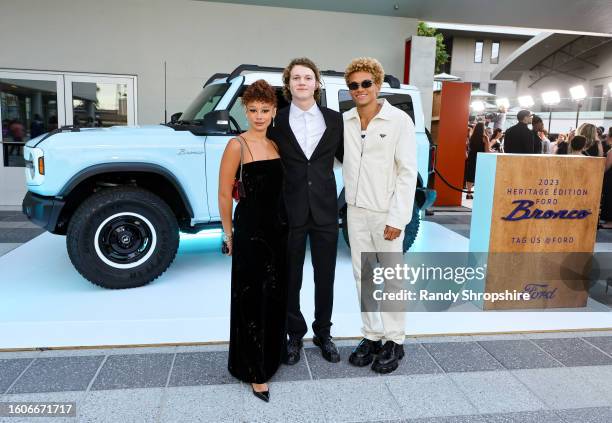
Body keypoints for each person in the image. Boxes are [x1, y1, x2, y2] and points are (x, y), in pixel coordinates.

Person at [342, 57, 417, 374]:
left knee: (392, 279)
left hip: (386, 213)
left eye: (365, 83)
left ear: (378, 84)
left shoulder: (399, 121)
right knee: (364, 277)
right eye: (354, 85)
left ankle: (395, 340)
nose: (360, 90)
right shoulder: (345, 121)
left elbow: (407, 173)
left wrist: (397, 219)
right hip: (355, 212)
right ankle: (372, 336)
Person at [268, 58, 343, 365]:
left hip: (325, 209)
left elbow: (348, 158)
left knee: (325, 277)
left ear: (316, 83)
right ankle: (294, 335)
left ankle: (323, 333)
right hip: (290, 211)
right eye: (296, 77)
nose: (302, 82)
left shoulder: (335, 120)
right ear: (288, 85)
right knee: (291, 278)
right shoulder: (276, 121)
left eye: (307, 77)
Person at [218, 79, 287, 402]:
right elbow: (223, 193)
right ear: (245, 111)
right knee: (250, 300)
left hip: (278, 231)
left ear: (274, 111)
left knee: (273, 296)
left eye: (265, 110)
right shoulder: (237, 145)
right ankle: (253, 370)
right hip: (250, 232)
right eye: (253, 110)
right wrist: (228, 233)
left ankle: (271, 357)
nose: (259, 116)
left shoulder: (276, 144)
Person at [465, 122, 489, 199]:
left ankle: (468, 194)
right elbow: (487, 151)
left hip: (471, 157)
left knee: (470, 175)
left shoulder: (472, 137)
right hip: (480, 158)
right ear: (483, 128)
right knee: (480, 176)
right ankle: (478, 193)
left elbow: (469, 147)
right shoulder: (484, 137)